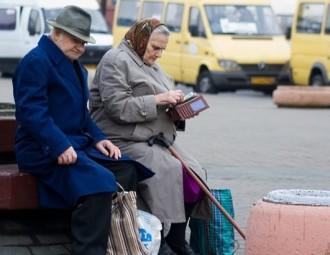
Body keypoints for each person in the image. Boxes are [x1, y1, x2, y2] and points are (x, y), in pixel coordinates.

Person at [12, 6, 153, 255]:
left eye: (84, 41)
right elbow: (32, 114)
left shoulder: (74, 65)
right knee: (99, 183)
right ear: (57, 33)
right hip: (42, 150)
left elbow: (82, 114)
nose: (82, 47)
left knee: (126, 168)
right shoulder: (35, 62)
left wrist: (100, 139)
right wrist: (59, 145)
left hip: (75, 144)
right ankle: (89, 249)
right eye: (76, 40)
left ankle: (118, 242)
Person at [89, 18, 210, 255]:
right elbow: (117, 107)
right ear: (141, 39)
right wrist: (158, 100)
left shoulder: (153, 66)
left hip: (156, 138)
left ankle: (177, 238)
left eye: (163, 49)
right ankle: (161, 241)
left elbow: (162, 106)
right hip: (122, 139)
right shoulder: (116, 60)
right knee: (168, 172)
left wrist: (180, 110)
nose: (159, 54)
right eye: (155, 47)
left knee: (195, 174)